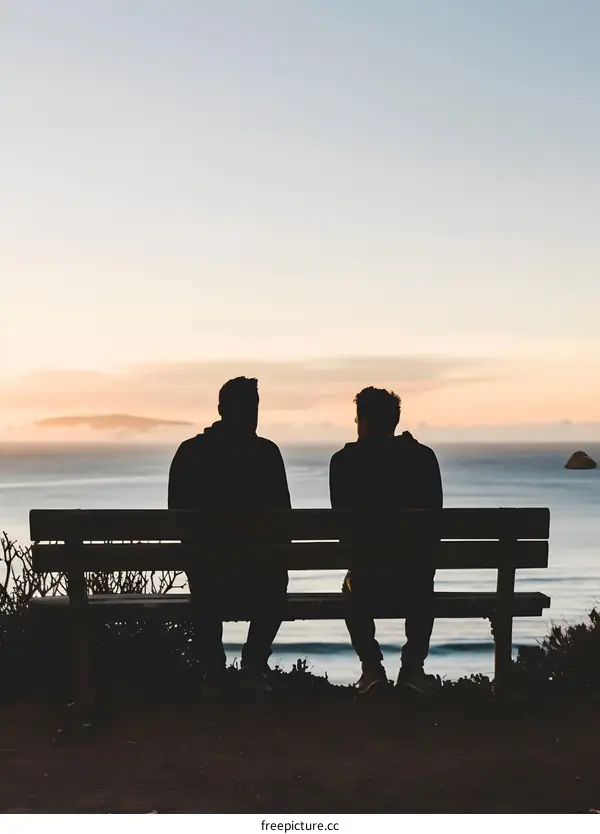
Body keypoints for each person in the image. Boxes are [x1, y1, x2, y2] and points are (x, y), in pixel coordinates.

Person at [168, 376, 291, 695]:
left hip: (208, 579)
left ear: (221, 409)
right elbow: (285, 522)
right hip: (259, 580)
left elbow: (175, 519)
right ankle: (252, 666)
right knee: (277, 579)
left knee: (202, 572)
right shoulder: (266, 455)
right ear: (254, 410)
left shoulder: (189, 453)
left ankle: (213, 671)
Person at [329, 387, 443, 695]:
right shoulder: (423, 458)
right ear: (394, 421)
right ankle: (413, 669)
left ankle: (371, 668)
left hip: (366, 579)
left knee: (350, 582)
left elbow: (340, 523)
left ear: (363, 422)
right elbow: (436, 522)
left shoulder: (343, 462)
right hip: (414, 581)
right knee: (422, 574)